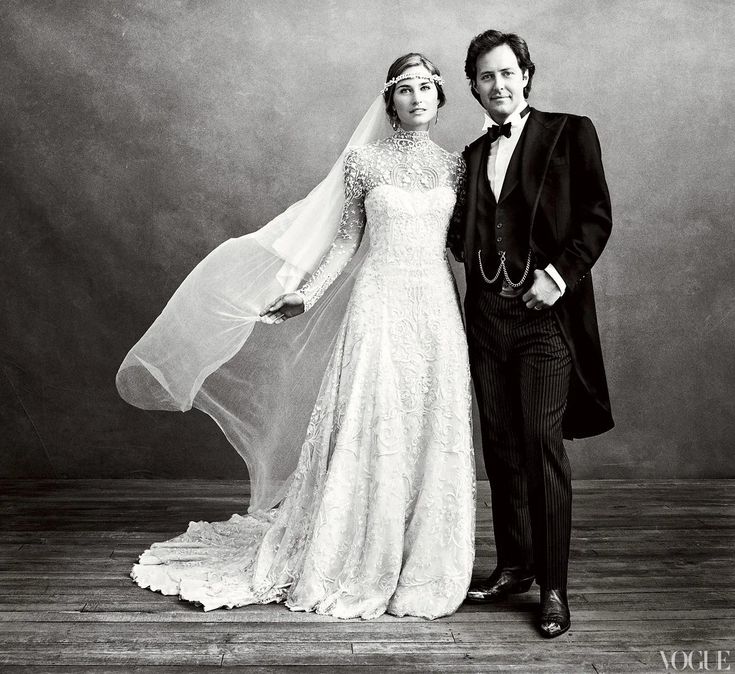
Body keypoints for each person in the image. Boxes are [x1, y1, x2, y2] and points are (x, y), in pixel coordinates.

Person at [120, 53, 475, 620]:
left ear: (441, 97)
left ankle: (422, 563)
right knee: (372, 422)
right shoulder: (364, 162)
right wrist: (305, 294)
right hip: (378, 304)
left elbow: (464, 246)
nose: (416, 97)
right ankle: (356, 554)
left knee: (431, 424)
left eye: (427, 87)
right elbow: (346, 243)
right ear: (390, 102)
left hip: (435, 308)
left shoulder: (457, 167)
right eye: (404, 89)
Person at [448, 30, 613, 637]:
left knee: (542, 445)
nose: (498, 85)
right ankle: (514, 565)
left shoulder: (572, 132)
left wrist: (558, 277)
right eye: (486, 77)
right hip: (486, 316)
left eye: (507, 73)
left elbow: (597, 216)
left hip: (545, 317)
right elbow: (455, 231)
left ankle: (553, 586)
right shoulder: (469, 155)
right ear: (472, 87)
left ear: (527, 75)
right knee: (500, 443)